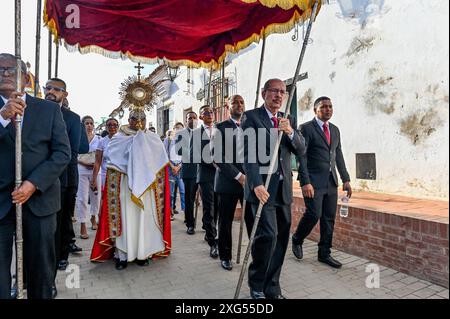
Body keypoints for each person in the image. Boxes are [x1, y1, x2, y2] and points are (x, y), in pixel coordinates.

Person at [0, 53, 71, 299]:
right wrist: (2, 118)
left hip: (39, 201)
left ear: (27, 79)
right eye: (0, 70)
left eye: (11, 70)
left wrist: (33, 183)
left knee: (40, 269)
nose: (6, 74)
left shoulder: (48, 110)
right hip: (1, 203)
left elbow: (62, 153)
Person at [241, 78, 306, 299]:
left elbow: (300, 149)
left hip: (283, 189)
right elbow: (247, 154)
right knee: (267, 235)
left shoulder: (288, 119)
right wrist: (256, 183)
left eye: (282, 92)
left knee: (281, 239)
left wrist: (289, 131)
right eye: (274, 91)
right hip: (263, 189)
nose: (278, 95)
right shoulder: (251, 117)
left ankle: (273, 287)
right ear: (264, 93)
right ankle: (257, 283)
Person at [91, 110, 171, 270]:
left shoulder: (152, 138)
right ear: (128, 120)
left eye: (142, 118)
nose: (139, 121)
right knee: (125, 219)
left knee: (144, 219)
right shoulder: (118, 138)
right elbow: (114, 162)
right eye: (135, 118)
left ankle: (143, 253)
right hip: (125, 186)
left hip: (146, 188)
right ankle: (122, 255)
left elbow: (159, 162)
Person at [292, 96, 352, 269]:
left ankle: (324, 253)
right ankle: (297, 238)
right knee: (314, 214)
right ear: (315, 110)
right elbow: (301, 157)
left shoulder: (335, 130)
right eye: (324, 107)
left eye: (330, 106)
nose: (328, 109)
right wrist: (305, 181)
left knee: (328, 218)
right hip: (313, 182)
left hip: (331, 181)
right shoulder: (306, 128)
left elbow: (338, 155)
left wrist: (346, 179)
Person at [43, 78, 84, 278]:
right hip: (36, 179)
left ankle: (61, 255)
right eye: (47, 88)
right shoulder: (33, 111)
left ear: (64, 94)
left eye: (56, 89)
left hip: (65, 178)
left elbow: (74, 150)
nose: (51, 92)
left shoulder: (72, 118)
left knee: (62, 219)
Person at [213, 95, 254, 271]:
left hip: (251, 182)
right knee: (225, 221)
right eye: (235, 103)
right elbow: (218, 157)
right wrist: (239, 176)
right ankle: (225, 256)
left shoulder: (251, 126)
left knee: (252, 220)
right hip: (228, 182)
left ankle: (257, 255)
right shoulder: (220, 128)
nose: (239, 105)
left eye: (242, 102)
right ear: (227, 107)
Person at [193, 105, 219, 258]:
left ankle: (212, 231)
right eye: (206, 113)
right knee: (209, 207)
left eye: (211, 112)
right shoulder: (196, 134)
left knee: (218, 207)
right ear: (201, 117)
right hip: (206, 174)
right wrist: (214, 163)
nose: (209, 114)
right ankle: (213, 242)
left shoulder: (221, 130)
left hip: (222, 174)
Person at [75, 116, 102, 239]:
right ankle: (82, 224)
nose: (89, 125)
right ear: (83, 125)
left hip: (96, 170)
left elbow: (101, 155)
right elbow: (73, 153)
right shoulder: (77, 138)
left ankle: (93, 217)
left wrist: (96, 164)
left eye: (91, 123)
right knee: (82, 198)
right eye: (87, 123)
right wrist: (83, 163)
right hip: (81, 169)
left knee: (96, 196)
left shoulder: (99, 139)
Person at [175, 111, 198, 235]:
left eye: (195, 118)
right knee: (189, 199)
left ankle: (207, 223)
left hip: (204, 170)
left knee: (208, 200)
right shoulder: (181, 134)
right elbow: (179, 151)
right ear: (186, 120)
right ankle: (190, 224)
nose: (192, 120)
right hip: (189, 170)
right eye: (190, 118)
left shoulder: (202, 132)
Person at [164, 122, 186, 220]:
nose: (178, 130)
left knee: (183, 191)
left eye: (180, 128)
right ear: (173, 129)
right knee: (171, 193)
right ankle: (170, 212)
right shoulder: (168, 140)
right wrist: (173, 167)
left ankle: (186, 212)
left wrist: (179, 166)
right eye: (176, 128)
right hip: (170, 168)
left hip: (181, 168)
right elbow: (164, 155)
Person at [91, 118, 119, 192]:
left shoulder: (123, 140)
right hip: (106, 176)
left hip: (121, 176)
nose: (112, 127)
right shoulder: (102, 141)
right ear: (106, 127)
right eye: (109, 125)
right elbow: (97, 162)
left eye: (114, 125)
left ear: (118, 127)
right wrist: (94, 179)